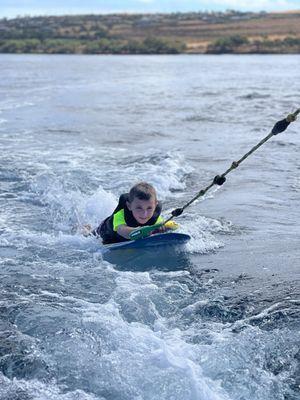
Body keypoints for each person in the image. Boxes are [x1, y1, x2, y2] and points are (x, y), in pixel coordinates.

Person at [84, 182, 164, 244]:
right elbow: (122, 231)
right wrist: (140, 231)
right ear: (129, 206)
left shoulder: (155, 215)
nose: (144, 214)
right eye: (139, 208)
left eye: (149, 208)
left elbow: (164, 225)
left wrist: (165, 227)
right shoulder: (120, 215)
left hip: (122, 238)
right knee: (87, 235)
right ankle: (85, 229)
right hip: (105, 233)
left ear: (155, 205)